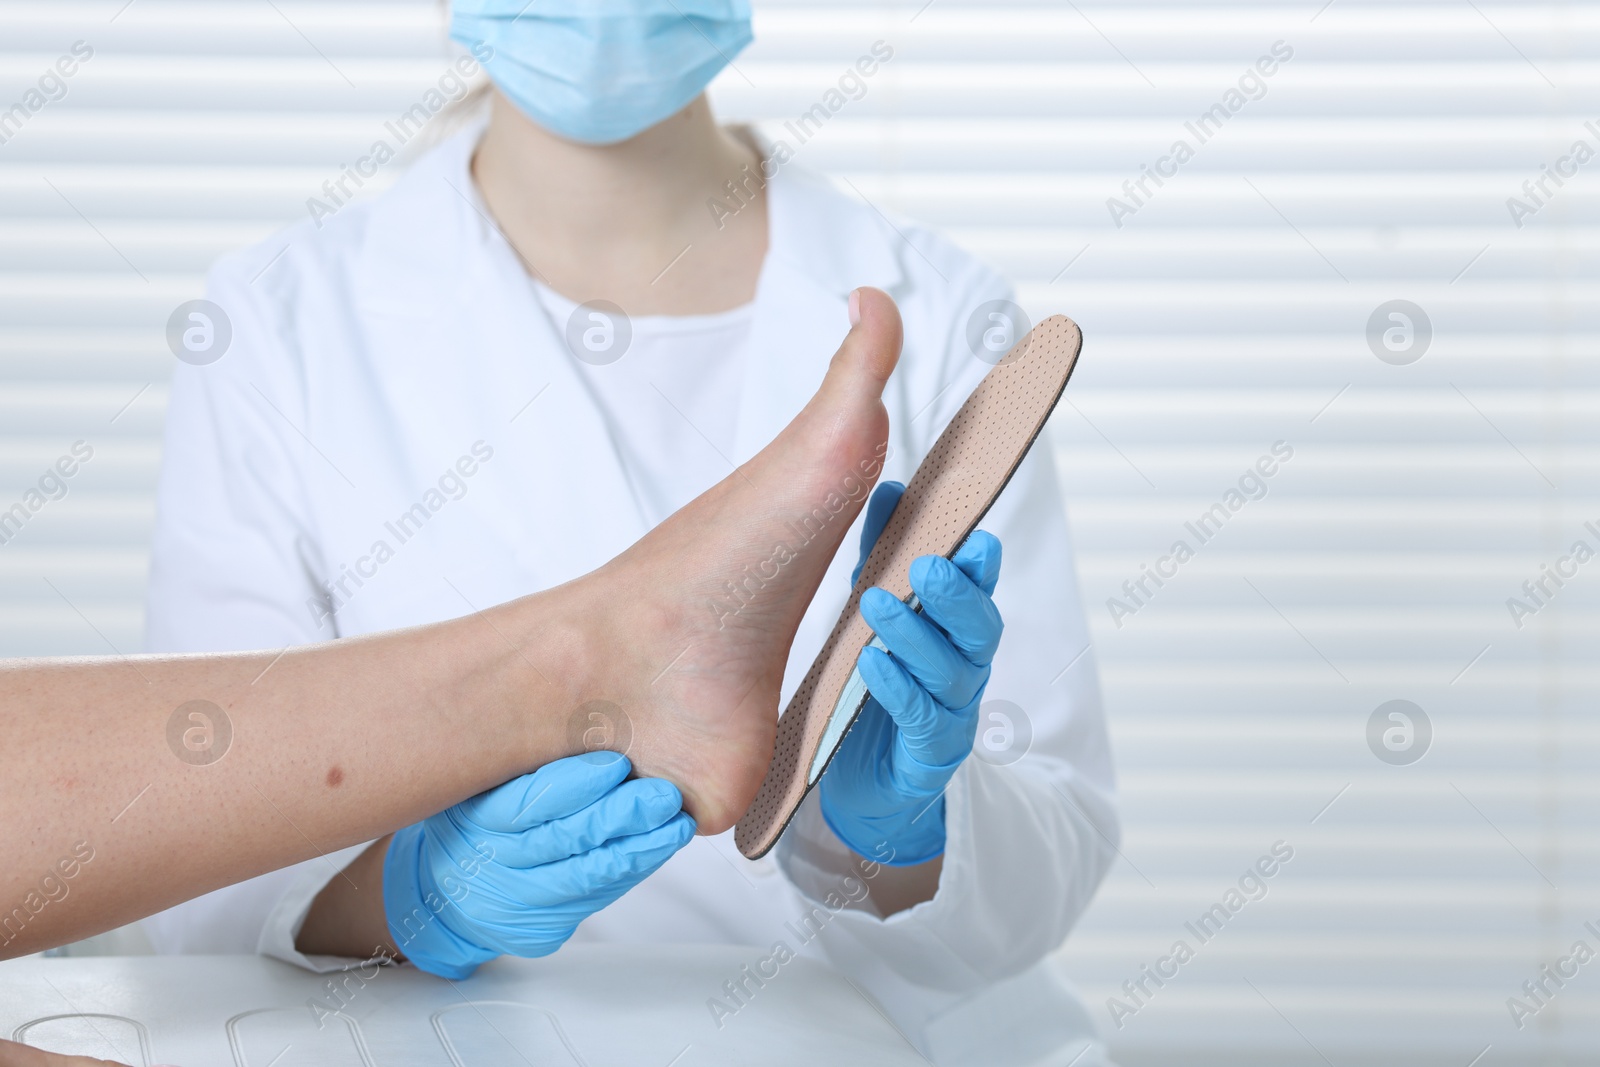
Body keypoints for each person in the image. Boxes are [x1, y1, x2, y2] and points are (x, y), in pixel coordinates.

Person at [142, 1, 1118, 1062]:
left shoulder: (946, 312)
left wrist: (898, 832)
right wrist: (413, 896)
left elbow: (1050, 858)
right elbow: (195, 869)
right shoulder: (278, 328)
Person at [1, 290, 900, 960]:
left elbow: (1024, 898)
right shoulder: (284, 311)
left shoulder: (937, 280)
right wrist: (416, 897)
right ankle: (588, 660)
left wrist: (907, 833)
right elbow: (203, 912)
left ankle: (590, 659)